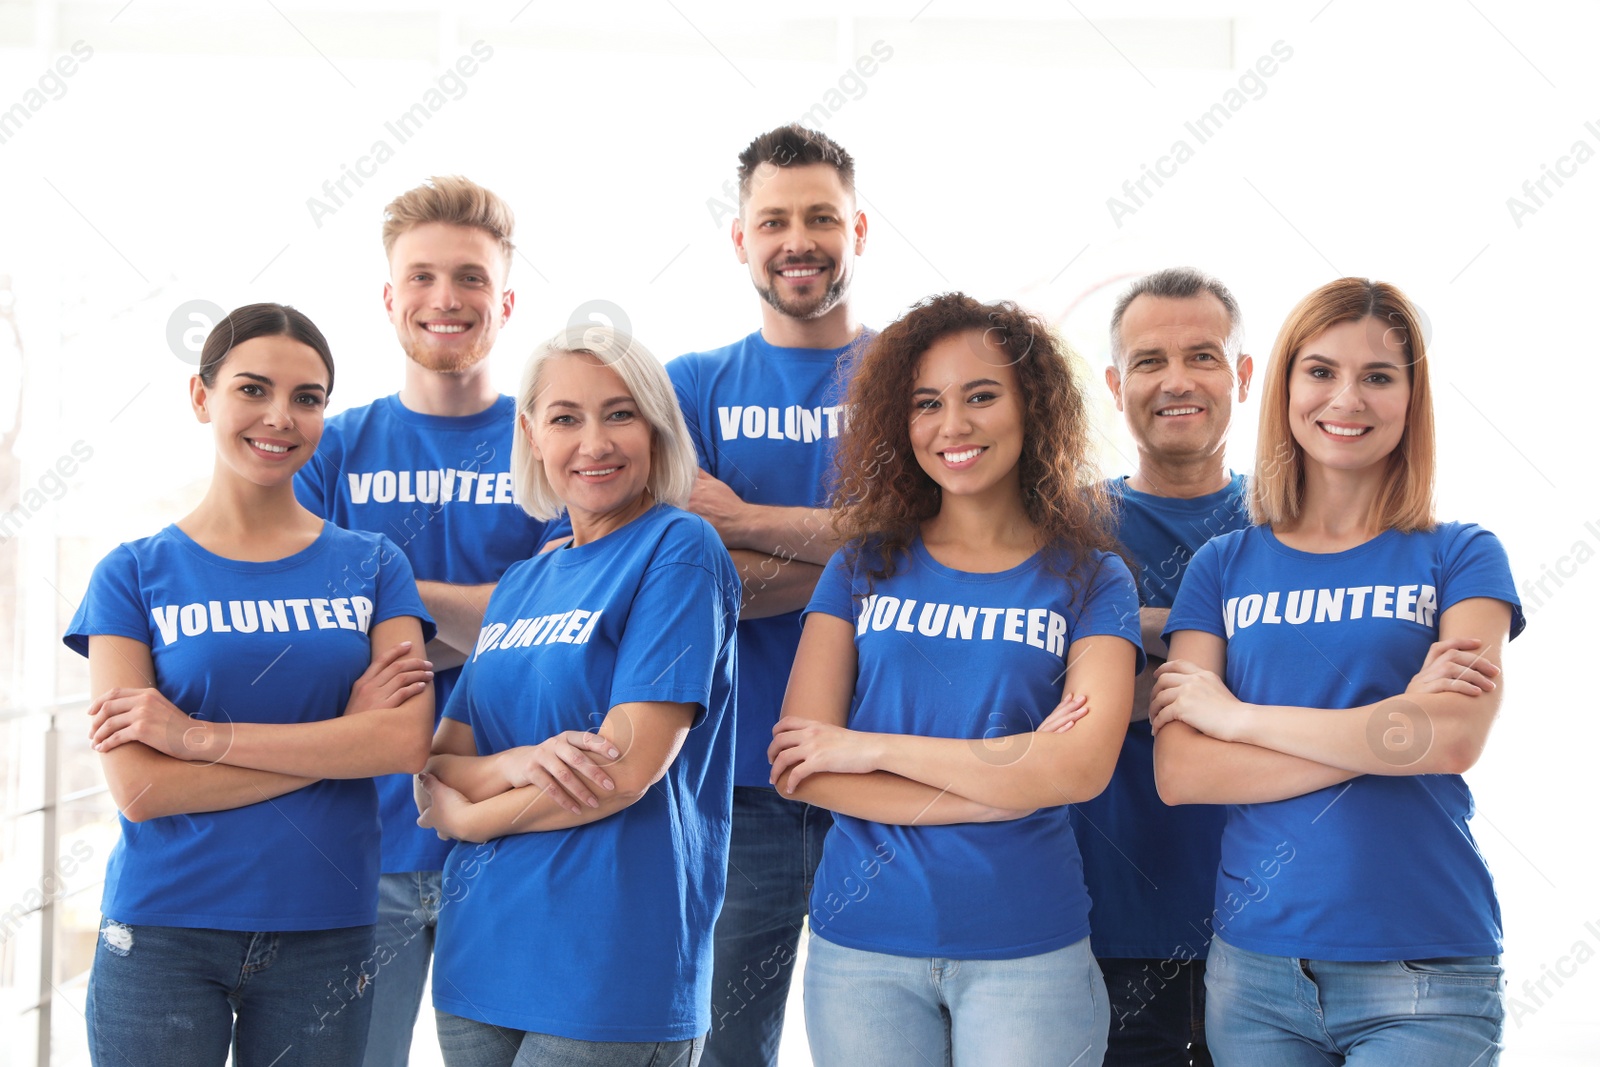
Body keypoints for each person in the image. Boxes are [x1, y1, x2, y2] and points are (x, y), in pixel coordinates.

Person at [1151, 277, 1520, 1066]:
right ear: (1283, 384)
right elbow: (1182, 768)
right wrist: (1386, 730)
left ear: (1411, 398)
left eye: (1378, 376)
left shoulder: (1460, 554)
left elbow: (1449, 739)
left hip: (1423, 971)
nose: (1346, 397)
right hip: (1255, 976)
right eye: (1320, 371)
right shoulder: (1223, 564)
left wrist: (1237, 716)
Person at [769, 293, 1143, 1066]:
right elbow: (802, 765)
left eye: (981, 396)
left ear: (1031, 408)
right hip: (862, 949)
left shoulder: (1092, 579)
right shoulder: (859, 567)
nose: (954, 425)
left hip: (1027, 946)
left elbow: (1078, 764)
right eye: (928, 403)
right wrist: (1007, 780)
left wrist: (865, 745)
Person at [66, 303, 436, 1066]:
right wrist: (339, 742)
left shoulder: (373, 565)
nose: (281, 416)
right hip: (164, 929)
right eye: (253, 389)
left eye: (307, 398)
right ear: (202, 398)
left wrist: (195, 739)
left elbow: (399, 741)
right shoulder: (133, 572)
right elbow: (140, 787)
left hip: (325, 928)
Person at [413, 324, 740, 1066]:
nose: (594, 441)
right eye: (566, 418)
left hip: (609, 971)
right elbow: (439, 763)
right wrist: (522, 761)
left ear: (657, 427)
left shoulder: (680, 549)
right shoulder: (526, 578)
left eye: (619, 413)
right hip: (478, 965)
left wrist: (467, 820)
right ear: (530, 435)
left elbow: (621, 772)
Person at [294, 175, 546, 1067]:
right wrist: (492, 611)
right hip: (365, 843)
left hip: (516, 833)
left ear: (505, 300)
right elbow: (314, 638)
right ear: (390, 297)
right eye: (425, 277)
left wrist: (387, 594)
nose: (447, 299)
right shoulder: (329, 448)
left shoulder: (555, 443)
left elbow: (561, 631)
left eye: (471, 278)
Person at [672, 123, 871, 1067]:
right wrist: (859, 547)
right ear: (741, 238)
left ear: (858, 229)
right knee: (720, 1047)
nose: (800, 239)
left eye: (821, 216)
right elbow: (689, 582)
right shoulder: (688, 389)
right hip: (730, 781)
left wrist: (741, 515)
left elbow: (922, 545)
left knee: (882, 1040)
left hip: (886, 772)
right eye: (775, 219)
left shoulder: (912, 378)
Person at [1071, 266, 1254, 1066]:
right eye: (1149, 361)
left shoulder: (1292, 522)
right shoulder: (1068, 526)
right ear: (1116, 383)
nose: (1176, 381)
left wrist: (1135, 649)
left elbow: (1315, 688)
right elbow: (1042, 701)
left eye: (1203, 356)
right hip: (1103, 924)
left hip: (1268, 928)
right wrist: (1209, 652)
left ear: (1243, 375)